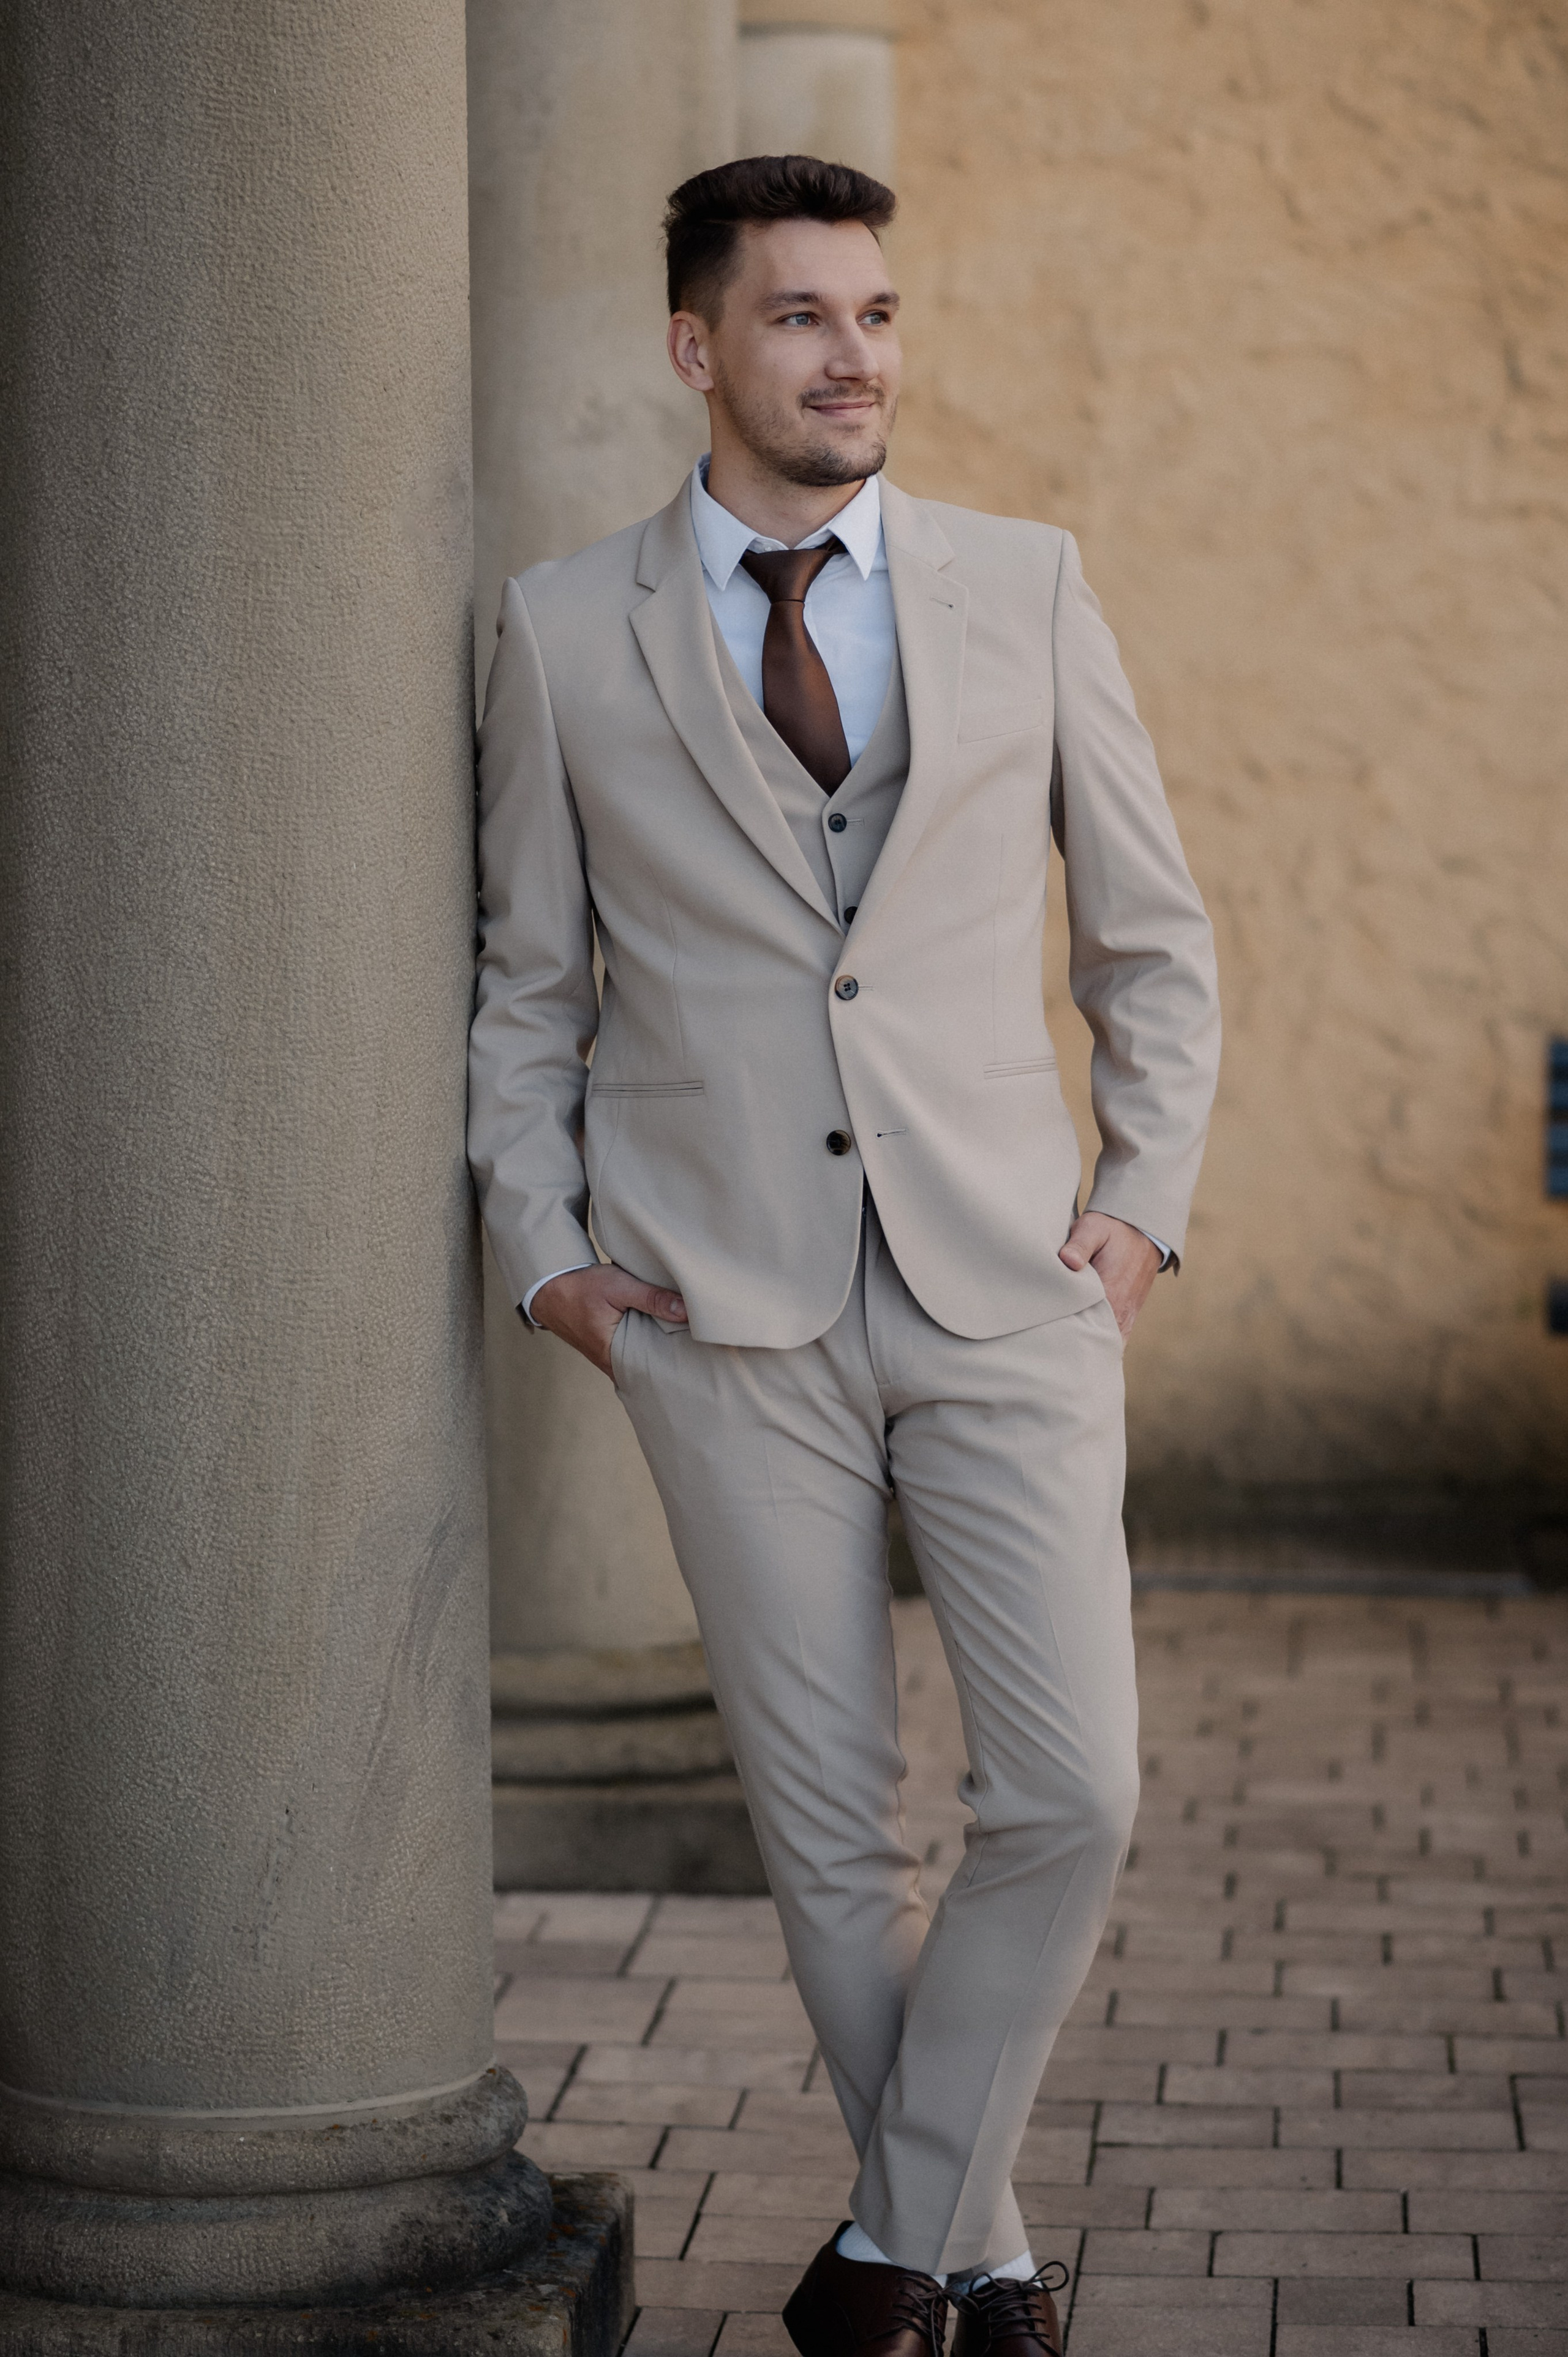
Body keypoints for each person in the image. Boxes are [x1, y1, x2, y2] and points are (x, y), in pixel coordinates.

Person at [469, 154, 1221, 2357]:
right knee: (830, 1835)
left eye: (877, 314)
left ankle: (902, 2250)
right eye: (801, 317)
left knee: (1075, 1785)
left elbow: (1156, 944)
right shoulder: (557, 627)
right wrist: (551, 1261)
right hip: (720, 1309)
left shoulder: (1029, 584)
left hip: (1010, 1282)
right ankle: (971, 2270)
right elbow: (525, 994)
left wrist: (1145, 1207)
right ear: (696, 348)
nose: (854, 356)